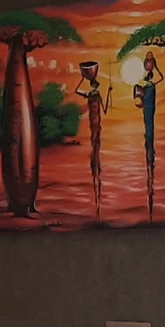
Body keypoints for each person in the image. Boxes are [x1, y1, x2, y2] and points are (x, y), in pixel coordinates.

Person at [132, 50, 165, 214]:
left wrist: (157, 66)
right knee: (148, 130)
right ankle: (149, 153)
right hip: (147, 106)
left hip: (149, 107)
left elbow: (160, 77)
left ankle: (150, 154)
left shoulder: (151, 87)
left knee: (149, 129)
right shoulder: (148, 87)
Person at [76, 60, 113, 220]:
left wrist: (109, 92)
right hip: (94, 123)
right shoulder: (91, 95)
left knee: (96, 145)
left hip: (97, 124)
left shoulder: (94, 96)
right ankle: (95, 174)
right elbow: (77, 90)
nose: (94, 87)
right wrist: (82, 78)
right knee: (94, 146)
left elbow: (104, 109)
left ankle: (97, 174)